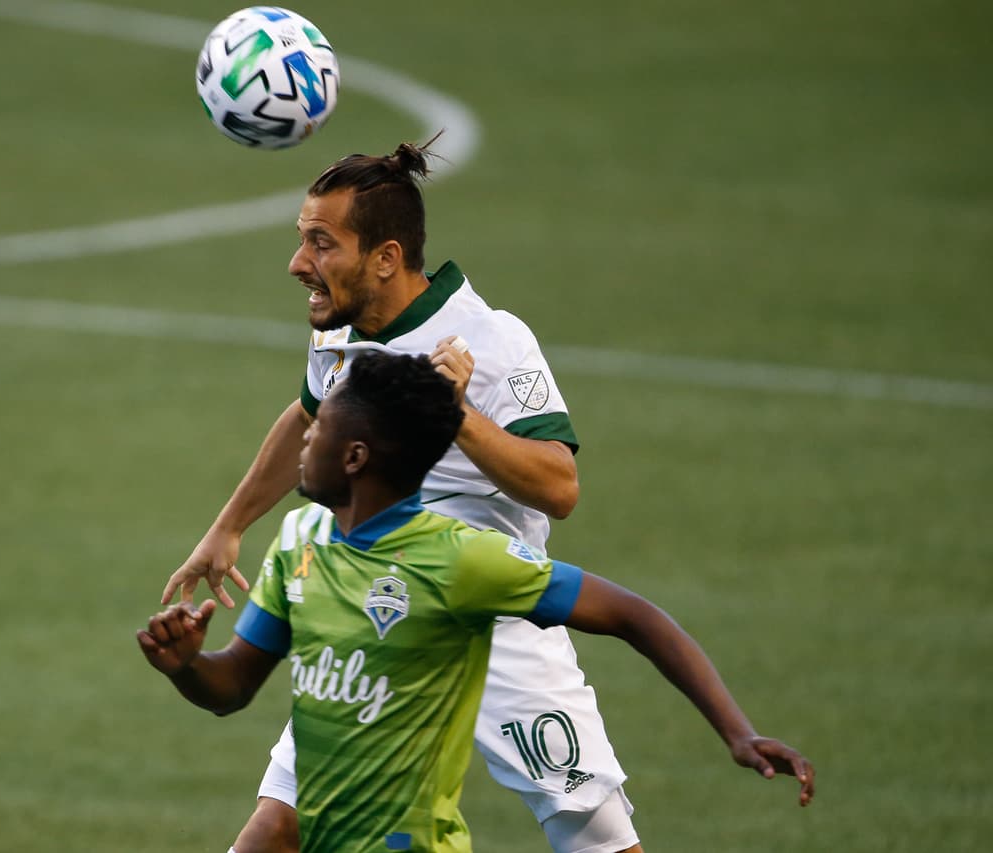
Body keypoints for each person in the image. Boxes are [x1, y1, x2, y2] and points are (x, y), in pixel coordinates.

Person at [162, 138, 640, 852]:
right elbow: (307, 412)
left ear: (385, 257)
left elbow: (559, 485)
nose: (300, 265)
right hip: (366, 610)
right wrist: (228, 525)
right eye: (302, 240)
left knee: (597, 835)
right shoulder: (339, 326)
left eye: (322, 244)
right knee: (278, 824)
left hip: (491, 611)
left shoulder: (491, 340)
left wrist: (462, 419)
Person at [140, 352, 815, 853]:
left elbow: (634, 615)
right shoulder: (300, 540)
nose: (301, 443)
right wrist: (186, 665)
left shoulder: (461, 558)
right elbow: (231, 687)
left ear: (353, 456)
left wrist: (736, 730)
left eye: (314, 435)